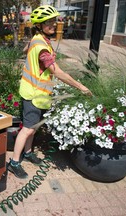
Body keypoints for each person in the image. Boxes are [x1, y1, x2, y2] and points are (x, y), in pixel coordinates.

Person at [7, 5, 92, 179]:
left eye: (54, 21)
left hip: (36, 92)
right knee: (28, 129)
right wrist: (81, 86)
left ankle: (28, 153)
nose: (53, 25)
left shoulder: (37, 39)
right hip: (33, 94)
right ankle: (14, 163)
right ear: (39, 25)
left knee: (34, 128)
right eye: (48, 23)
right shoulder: (42, 47)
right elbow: (58, 72)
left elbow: (26, 50)